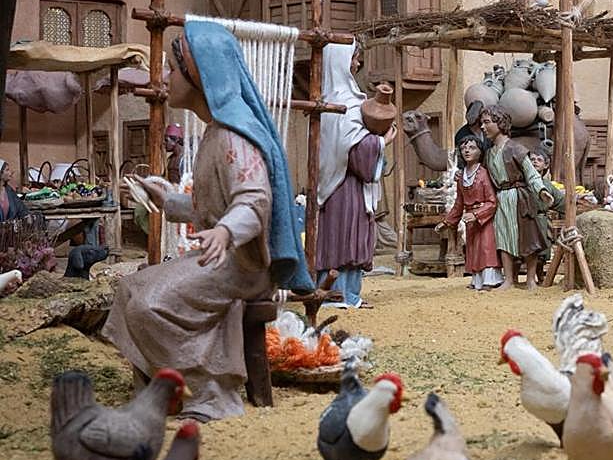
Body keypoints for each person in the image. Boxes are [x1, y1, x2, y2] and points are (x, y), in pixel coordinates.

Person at [104, 21, 312, 422]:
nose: (164, 77)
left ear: (198, 76)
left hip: (244, 266)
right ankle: (158, 388)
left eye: (170, 68)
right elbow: (210, 207)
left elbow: (254, 203)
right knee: (128, 291)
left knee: (150, 304)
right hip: (222, 256)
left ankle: (210, 392)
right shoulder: (216, 134)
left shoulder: (235, 137)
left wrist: (225, 231)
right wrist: (170, 201)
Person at [315, 42, 396, 309]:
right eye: (354, 58)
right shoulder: (343, 104)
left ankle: (349, 293)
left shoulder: (332, 99)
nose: (357, 64)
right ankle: (338, 294)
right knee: (345, 236)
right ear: (341, 60)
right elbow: (353, 149)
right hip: (344, 184)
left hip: (339, 184)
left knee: (350, 235)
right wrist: (383, 142)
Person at [478, 105, 553, 291]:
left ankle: (530, 279)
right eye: (482, 123)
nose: (483, 127)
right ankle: (509, 279)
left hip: (519, 198)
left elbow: (531, 173)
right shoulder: (489, 154)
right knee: (503, 237)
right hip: (501, 198)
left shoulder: (516, 149)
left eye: (487, 122)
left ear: (500, 123)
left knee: (528, 237)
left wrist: (541, 190)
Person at [436, 135, 502, 290]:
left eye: (472, 148)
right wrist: (446, 222)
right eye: (464, 148)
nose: (467, 151)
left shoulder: (484, 174)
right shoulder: (461, 176)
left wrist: (477, 214)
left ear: (480, 151)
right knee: (473, 249)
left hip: (483, 220)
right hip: (469, 220)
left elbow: (492, 202)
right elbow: (459, 203)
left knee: (486, 248)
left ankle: (491, 280)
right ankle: (477, 280)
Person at [527, 147, 565, 280]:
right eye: (532, 159)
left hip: (542, 222)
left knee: (542, 252)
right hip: (526, 220)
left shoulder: (548, 185)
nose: (535, 162)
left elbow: (561, 202)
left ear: (546, 164)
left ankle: (540, 275)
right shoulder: (522, 183)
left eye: (539, 160)